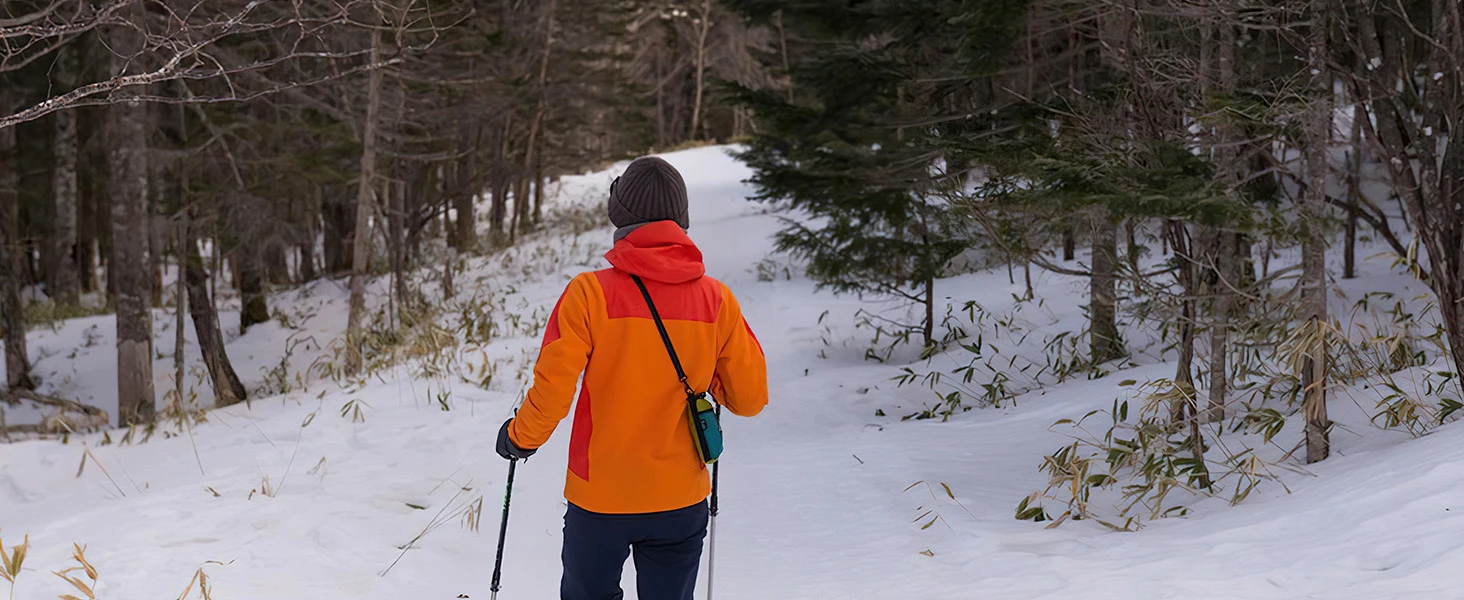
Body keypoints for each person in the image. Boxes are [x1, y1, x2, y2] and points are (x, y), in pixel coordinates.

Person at [496, 155, 769, 600]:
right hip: (681, 499)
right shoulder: (717, 300)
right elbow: (751, 398)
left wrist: (519, 438)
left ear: (619, 216)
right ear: (681, 220)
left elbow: (553, 390)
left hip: (600, 500)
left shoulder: (588, 294)